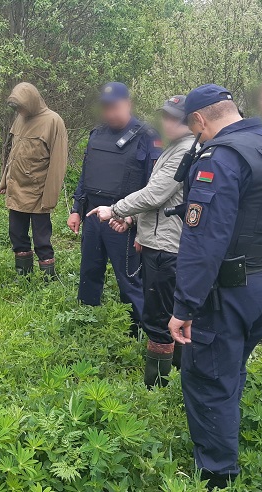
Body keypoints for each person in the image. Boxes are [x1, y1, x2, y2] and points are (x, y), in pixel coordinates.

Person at [167, 84, 262, 490]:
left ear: (200, 119)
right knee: (231, 364)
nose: (196, 137)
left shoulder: (221, 158)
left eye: (193, 129)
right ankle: (224, 430)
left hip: (227, 290)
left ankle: (218, 474)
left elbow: (202, 243)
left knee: (208, 376)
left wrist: (184, 307)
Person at [86, 95, 193, 387]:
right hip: (158, 239)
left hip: (167, 245)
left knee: (161, 316)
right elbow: (161, 198)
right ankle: (178, 372)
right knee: (169, 310)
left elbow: (155, 194)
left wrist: (116, 209)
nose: (167, 122)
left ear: (190, 121)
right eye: (165, 116)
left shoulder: (184, 152)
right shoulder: (174, 148)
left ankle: (157, 387)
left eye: (174, 117)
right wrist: (133, 220)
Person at [68, 82, 162, 336]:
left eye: (115, 106)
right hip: (92, 215)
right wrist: (76, 209)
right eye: (106, 107)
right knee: (89, 270)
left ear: (128, 104)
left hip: (123, 220)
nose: (110, 112)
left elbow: (154, 187)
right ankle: (85, 321)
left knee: (129, 278)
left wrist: (136, 221)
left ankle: (137, 330)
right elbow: (85, 175)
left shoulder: (148, 137)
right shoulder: (96, 134)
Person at [0, 82, 68, 278]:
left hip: (39, 193)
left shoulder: (53, 121)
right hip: (17, 189)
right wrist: (5, 182)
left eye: (21, 106)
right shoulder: (20, 118)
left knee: (42, 240)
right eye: (17, 107)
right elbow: (14, 154)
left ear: (32, 102)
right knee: (17, 235)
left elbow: (58, 163)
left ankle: (47, 281)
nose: (19, 111)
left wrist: (50, 198)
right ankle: (24, 277)